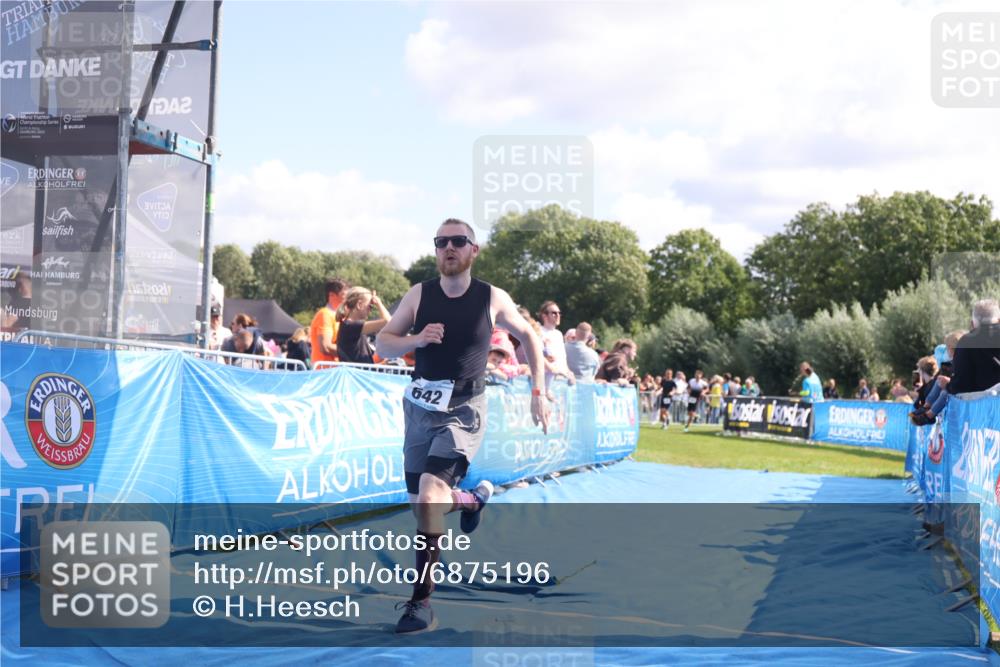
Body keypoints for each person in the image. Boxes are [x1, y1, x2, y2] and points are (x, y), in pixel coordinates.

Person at [374, 218, 549, 635]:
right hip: (419, 408)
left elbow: (529, 335)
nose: (448, 247)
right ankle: (471, 501)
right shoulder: (419, 295)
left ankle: (421, 603)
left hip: (464, 408)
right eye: (441, 242)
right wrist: (416, 339)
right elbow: (383, 343)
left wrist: (538, 389)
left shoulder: (491, 297)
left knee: (431, 496)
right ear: (436, 251)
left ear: (473, 251)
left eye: (458, 241)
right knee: (422, 503)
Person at [335, 287, 391, 365]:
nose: (370, 310)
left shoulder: (350, 326)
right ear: (359, 305)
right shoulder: (350, 327)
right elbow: (388, 321)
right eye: (370, 306)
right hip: (355, 375)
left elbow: (359, 357)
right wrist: (379, 303)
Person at [310, 277, 350, 366]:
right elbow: (326, 347)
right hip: (324, 373)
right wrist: (351, 353)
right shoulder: (324, 314)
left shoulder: (342, 317)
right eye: (345, 294)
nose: (348, 298)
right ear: (332, 295)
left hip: (336, 372)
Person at [538, 301, 574, 388]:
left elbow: (562, 359)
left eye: (559, 313)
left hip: (560, 380)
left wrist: (569, 372)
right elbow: (537, 355)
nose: (558, 315)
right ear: (544, 316)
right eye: (554, 313)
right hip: (545, 380)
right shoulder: (539, 331)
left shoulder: (559, 334)